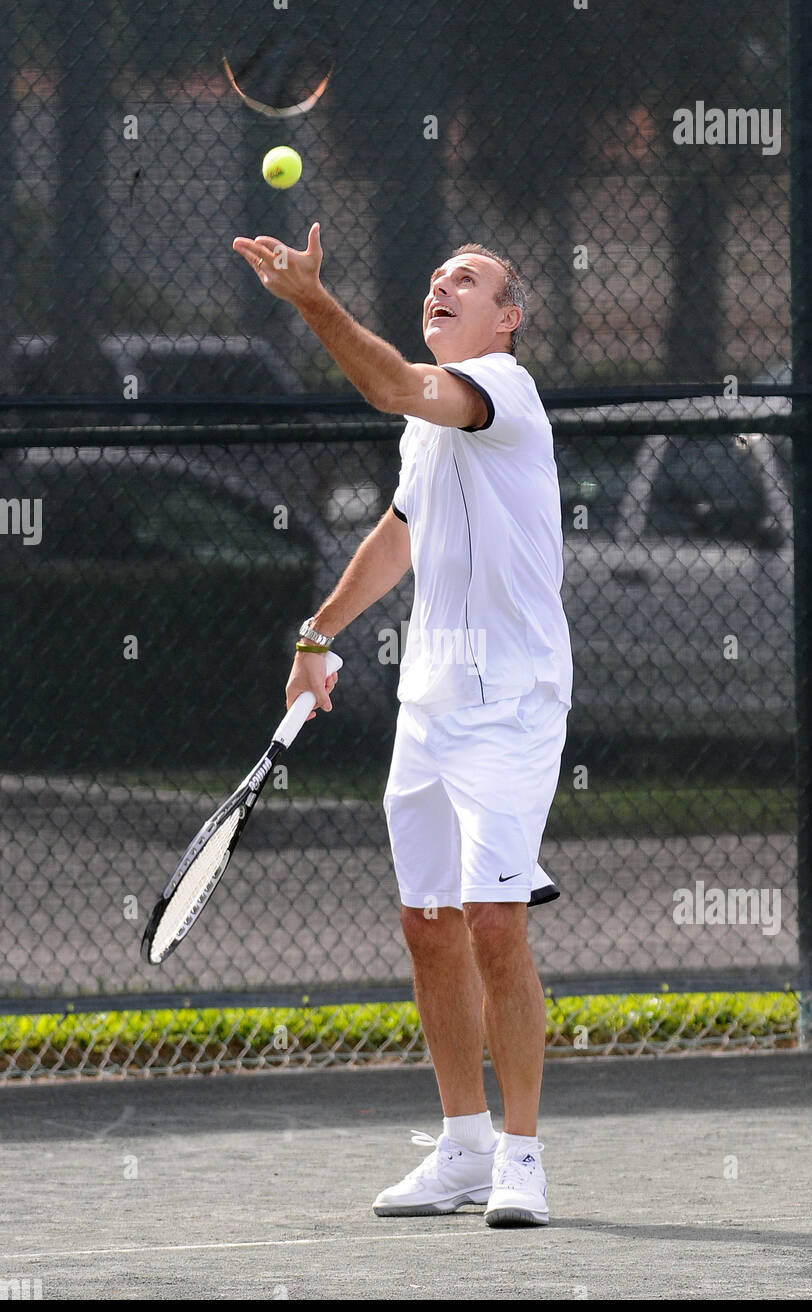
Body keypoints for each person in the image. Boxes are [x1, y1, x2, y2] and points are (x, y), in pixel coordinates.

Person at [233, 224, 572, 1226]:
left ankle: (520, 1153)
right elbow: (400, 535)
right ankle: (462, 1145)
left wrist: (310, 301)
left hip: (511, 705)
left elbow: (386, 383)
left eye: (464, 281)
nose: (441, 288)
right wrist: (318, 632)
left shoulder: (500, 390)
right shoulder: (426, 428)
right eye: (433, 278)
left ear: (505, 319)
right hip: (426, 707)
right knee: (427, 925)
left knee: (493, 924)